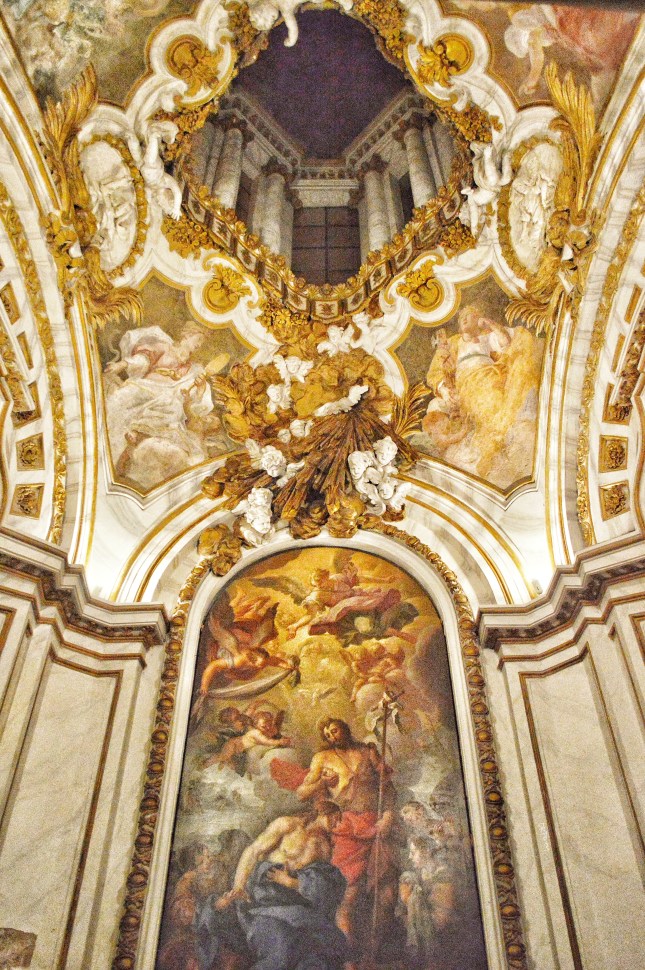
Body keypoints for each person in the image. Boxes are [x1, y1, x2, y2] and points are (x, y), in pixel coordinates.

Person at [197, 802, 349, 970]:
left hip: (293, 903)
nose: (337, 824)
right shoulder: (288, 825)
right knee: (280, 951)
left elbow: (320, 884)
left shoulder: (323, 847)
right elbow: (253, 851)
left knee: (314, 948)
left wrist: (290, 882)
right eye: (335, 818)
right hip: (265, 897)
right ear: (324, 812)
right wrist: (239, 886)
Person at [296, 718, 399, 961]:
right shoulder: (322, 758)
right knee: (347, 895)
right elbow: (301, 793)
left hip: (376, 824)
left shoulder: (368, 752)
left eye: (335, 730)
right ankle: (348, 958)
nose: (332, 736)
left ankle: (371, 954)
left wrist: (387, 817)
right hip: (347, 828)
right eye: (327, 734)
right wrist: (323, 782)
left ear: (345, 728)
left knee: (386, 894)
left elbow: (388, 788)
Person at [105, 323, 224, 490]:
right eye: (198, 339)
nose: (199, 345)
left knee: (174, 407)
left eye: (201, 343)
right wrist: (121, 365)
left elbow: (195, 404)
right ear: (187, 335)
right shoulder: (164, 347)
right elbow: (143, 359)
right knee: (121, 398)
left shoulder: (194, 369)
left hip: (167, 396)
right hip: (147, 386)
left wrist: (200, 388)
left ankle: (138, 435)